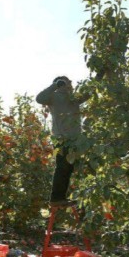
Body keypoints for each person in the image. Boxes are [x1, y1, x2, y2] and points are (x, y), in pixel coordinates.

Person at [36, 76, 88, 206]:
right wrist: (55, 85)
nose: (70, 83)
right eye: (66, 82)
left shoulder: (74, 98)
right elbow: (39, 99)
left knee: (68, 169)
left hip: (75, 140)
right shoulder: (53, 97)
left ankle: (60, 198)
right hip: (62, 139)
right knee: (62, 168)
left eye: (69, 81)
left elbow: (88, 93)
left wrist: (100, 74)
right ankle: (56, 198)